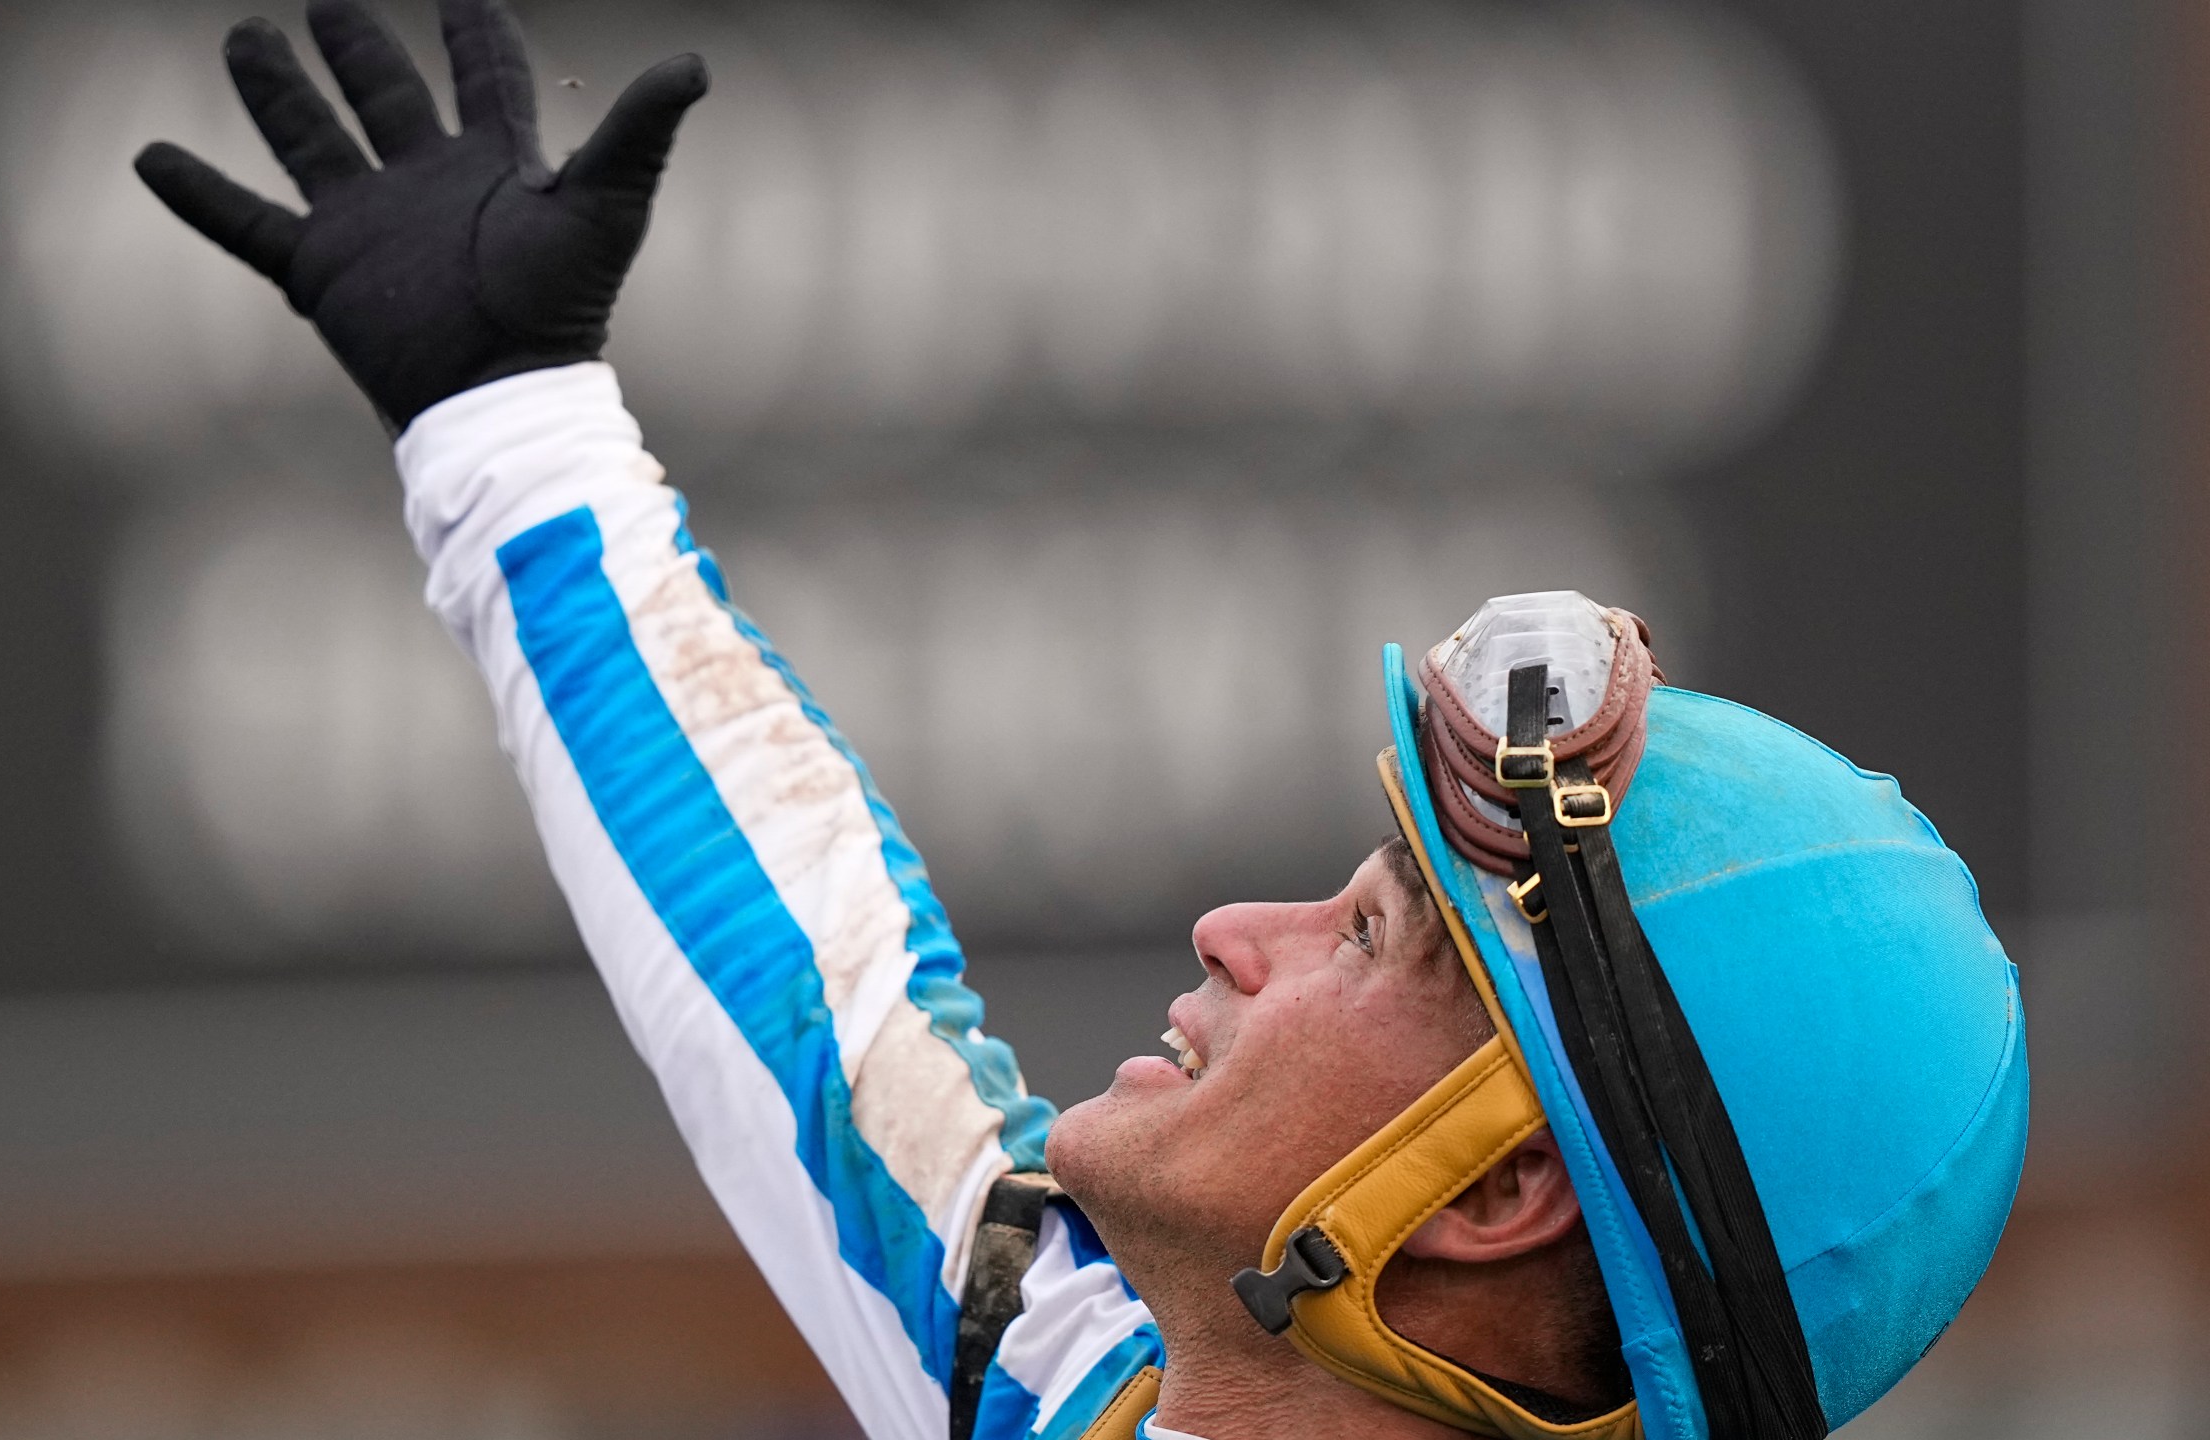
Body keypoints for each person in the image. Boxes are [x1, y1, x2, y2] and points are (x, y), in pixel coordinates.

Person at [135, 5, 2030, 1437]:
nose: (1239, 931)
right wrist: (511, 430)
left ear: (1505, 1188)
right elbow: (818, 997)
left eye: (1371, 933)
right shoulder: (1083, 1382)